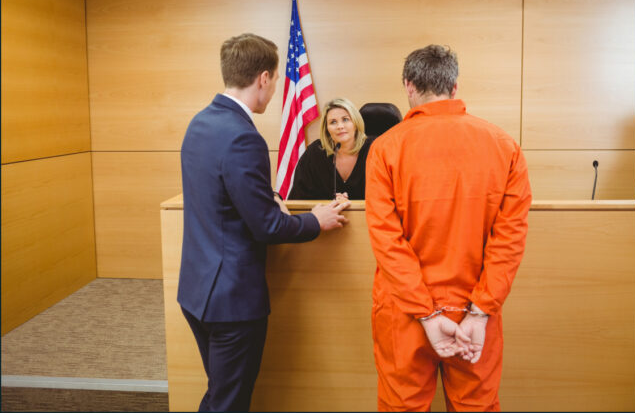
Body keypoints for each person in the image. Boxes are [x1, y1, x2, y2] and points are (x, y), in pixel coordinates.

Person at [178, 33, 350, 412]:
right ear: (263, 78)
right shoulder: (243, 137)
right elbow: (268, 228)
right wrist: (314, 221)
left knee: (220, 394)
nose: (273, 94)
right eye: (274, 82)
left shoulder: (200, 124)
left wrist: (266, 198)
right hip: (231, 302)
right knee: (228, 402)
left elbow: (221, 197)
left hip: (196, 290)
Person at [365, 44, 531, 411]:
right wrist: (479, 311)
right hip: (474, 311)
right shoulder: (505, 146)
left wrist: (425, 313)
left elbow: (386, 241)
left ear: (408, 87)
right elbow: (510, 239)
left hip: (405, 314)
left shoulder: (385, 149)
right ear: (455, 88)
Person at [288, 98, 373, 200]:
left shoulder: (375, 150)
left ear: (355, 123)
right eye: (333, 122)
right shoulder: (315, 153)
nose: (340, 126)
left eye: (345, 119)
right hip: (325, 215)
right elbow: (299, 198)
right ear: (327, 128)